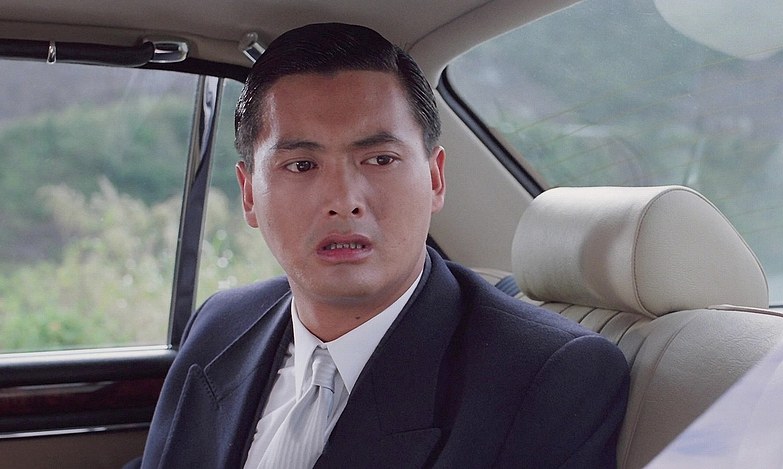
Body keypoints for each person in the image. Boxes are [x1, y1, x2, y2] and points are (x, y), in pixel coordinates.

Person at [134, 22, 629, 468]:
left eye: (380, 160)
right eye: (302, 165)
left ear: (435, 179)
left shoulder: (545, 376)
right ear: (248, 195)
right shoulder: (221, 323)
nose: (343, 201)